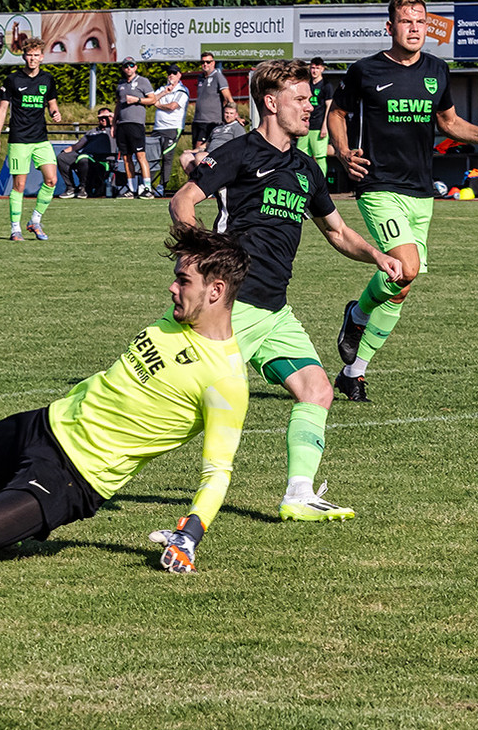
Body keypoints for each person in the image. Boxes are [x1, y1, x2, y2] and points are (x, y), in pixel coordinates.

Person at [0, 224, 250, 575]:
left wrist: (192, 531)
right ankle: (9, 525)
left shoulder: (225, 378)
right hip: (45, 424)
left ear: (215, 291)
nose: (171, 288)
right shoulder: (178, 316)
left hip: (76, 475)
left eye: (183, 281)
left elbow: (218, 469)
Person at [169, 58, 408, 521]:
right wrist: (202, 256)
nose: (310, 105)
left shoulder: (305, 168)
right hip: (231, 306)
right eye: (300, 98)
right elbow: (184, 199)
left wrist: (378, 256)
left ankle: (299, 494)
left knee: (317, 389)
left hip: (274, 311)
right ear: (271, 102)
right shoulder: (240, 153)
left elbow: (337, 232)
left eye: (310, 97)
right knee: (179, 411)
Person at [329, 0, 478, 402]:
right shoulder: (365, 71)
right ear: (389, 27)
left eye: (420, 21)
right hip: (378, 186)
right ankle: (357, 316)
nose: (414, 28)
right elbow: (336, 114)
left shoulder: (436, 70)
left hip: (420, 190)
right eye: (406, 21)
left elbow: (448, 122)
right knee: (405, 267)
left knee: (403, 285)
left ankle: (353, 372)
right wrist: (343, 153)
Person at [0, 42, 62, 239]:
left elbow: (52, 104)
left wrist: (55, 113)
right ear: (24, 56)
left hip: (41, 139)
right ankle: (15, 228)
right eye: (29, 55)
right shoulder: (13, 79)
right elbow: (3, 109)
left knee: (51, 180)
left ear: (42, 57)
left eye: (36, 55)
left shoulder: (48, 79)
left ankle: (35, 220)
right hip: (19, 139)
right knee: (19, 186)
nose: (32, 58)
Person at [113, 58, 157, 198]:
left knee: (140, 156)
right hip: (122, 124)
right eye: (126, 66)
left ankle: (147, 188)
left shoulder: (143, 81)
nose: (129, 68)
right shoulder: (121, 84)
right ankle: (131, 188)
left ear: (136, 67)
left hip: (136, 124)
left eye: (131, 65)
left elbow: (152, 99)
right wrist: (114, 123)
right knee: (126, 158)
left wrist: (137, 100)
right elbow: (117, 105)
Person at [56, 106, 116, 197]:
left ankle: (82, 188)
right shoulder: (92, 132)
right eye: (101, 118)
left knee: (83, 159)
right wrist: (63, 152)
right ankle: (70, 188)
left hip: (103, 160)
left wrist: (111, 115)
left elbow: (122, 121)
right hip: (86, 155)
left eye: (106, 117)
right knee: (62, 158)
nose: (103, 120)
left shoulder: (115, 130)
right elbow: (77, 146)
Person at [179, 99, 246, 180]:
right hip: (208, 153)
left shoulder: (237, 128)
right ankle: (197, 183)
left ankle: (208, 186)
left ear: (236, 115)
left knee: (199, 157)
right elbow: (206, 144)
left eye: (231, 113)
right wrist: (192, 151)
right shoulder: (217, 128)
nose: (228, 115)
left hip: (221, 157)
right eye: (226, 113)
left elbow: (241, 146)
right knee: (185, 157)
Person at [151, 64, 189, 194]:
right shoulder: (162, 89)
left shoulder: (182, 90)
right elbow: (151, 100)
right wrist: (164, 93)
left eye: (174, 73)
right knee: (152, 156)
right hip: (158, 127)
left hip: (172, 128)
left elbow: (173, 106)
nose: (171, 76)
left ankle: (162, 186)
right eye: (169, 73)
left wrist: (159, 104)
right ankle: (148, 185)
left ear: (179, 75)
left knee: (167, 157)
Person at [191, 52, 236, 149]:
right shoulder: (200, 77)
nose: (205, 64)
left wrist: (236, 115)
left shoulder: (218, 76)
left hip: (211, 121)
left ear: (213, 63)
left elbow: (228, 98)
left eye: (208, 62)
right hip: (198, 120)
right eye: (203, 62)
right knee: (194, 149)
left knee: (199, 149)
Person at [298, 57, 335, 172]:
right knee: (300, 155)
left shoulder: (326, 85)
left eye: (317, 68)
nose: (314, 71)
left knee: (319, 156)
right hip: (306, 125)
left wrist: (325, 126)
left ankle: (321, 185)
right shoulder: (306, 84)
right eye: (313, 68)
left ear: (322, 69)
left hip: (319, 126)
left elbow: (329, 107)